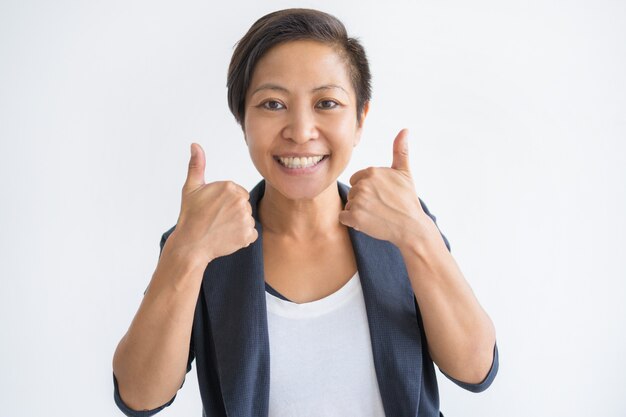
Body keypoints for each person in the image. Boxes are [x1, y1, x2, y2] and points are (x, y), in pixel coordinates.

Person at [112, 8, 499, 417]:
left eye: (327, 102)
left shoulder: (402, 224)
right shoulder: (204, 239)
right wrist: (186, 253)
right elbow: (139, 396)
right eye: (273, 103)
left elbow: (476, 370)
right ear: (242, 120)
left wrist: (418, 237)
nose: (300, 131)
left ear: (360, 118)